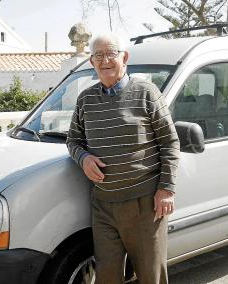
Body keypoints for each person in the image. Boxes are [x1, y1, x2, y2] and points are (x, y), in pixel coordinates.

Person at [66, 33, 180, 284]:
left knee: (152, 276)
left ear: (124, 57)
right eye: (98, 55)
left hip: (146, 206)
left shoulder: (146, 93)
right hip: (103, 207)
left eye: (111, 53)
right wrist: (83, 158)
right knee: (107, 278)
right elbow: (73, 140)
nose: (105, 60)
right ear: (91, 62)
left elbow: (170, 142)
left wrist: (166, 189)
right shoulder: (85, 100)